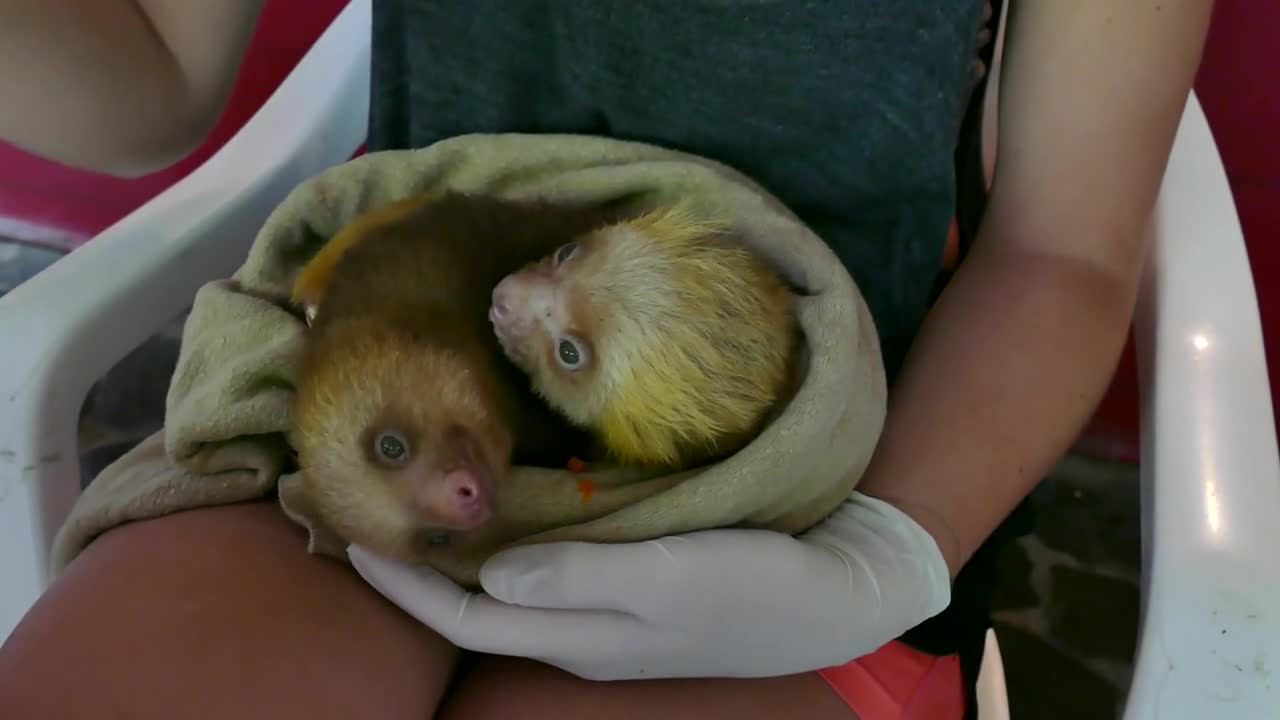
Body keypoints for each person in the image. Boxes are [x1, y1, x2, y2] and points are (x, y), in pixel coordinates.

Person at [0, 1, 1212, 718]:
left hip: (817, 464)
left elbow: (1063, 249)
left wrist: (885, 552)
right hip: (378, 355)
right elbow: (143, 89)